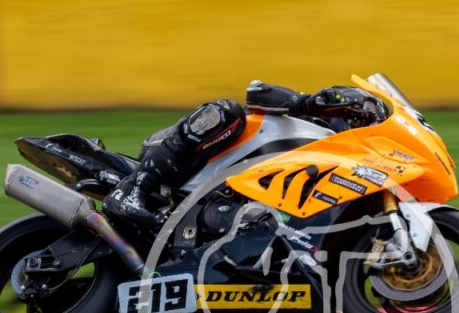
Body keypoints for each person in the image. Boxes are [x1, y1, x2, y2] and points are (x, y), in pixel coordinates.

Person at [103, 81, 382, 225]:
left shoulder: (335, 180)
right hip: (185, 157)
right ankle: (132, 190)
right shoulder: (309, 123)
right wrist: (307, 102)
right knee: (227, 111)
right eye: (363, 116)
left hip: (222, 201)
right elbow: (256, 90)